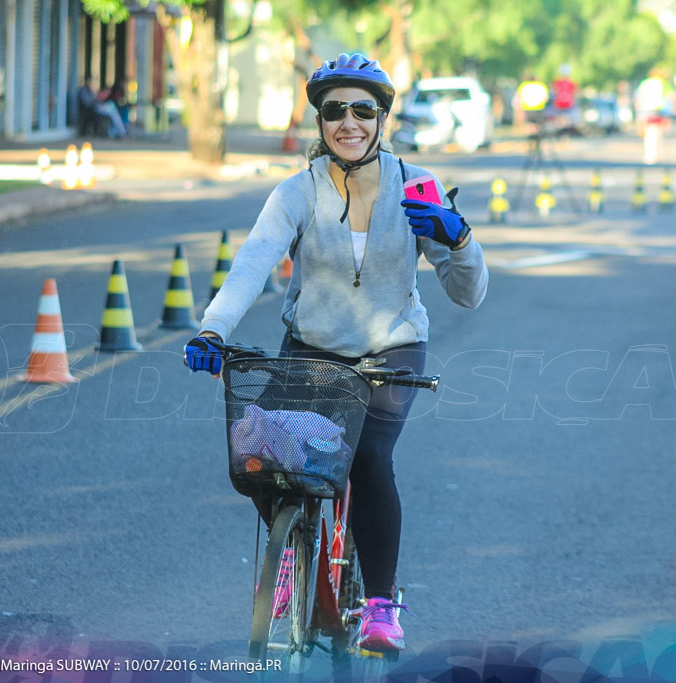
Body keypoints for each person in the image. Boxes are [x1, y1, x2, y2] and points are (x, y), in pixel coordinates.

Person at [184, 53, 488, 652]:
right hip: (311, 348)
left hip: (391, 351)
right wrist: (212, 328)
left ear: (382, 119)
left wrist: (458, 236)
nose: (348, 123)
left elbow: (469, 295)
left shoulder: (418, 188)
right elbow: (253, 261)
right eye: (334, 112)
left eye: (362, 110)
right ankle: (290, 559)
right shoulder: (297, 191)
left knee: (370, 460)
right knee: (264, 448)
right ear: (319, 122)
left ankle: (380, 605)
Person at [633, 68, 673, 165]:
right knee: (656, 131)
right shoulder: (662, 83)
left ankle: (649, 153)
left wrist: (638, 114)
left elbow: (638, 98)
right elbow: (669, 98)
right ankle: (654, 153)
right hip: (657, 110)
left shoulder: (644, 83)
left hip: (644, 111)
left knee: (648, 133)